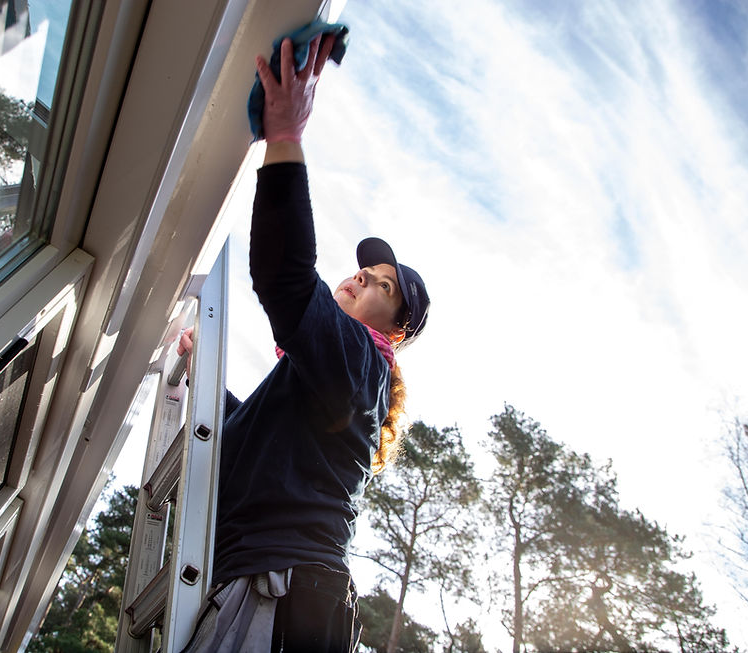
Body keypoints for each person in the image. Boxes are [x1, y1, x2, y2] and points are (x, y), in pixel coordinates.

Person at [177, 33, 430, 653]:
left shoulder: (361, 363)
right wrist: (202, 371)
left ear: (393, 330)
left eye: (384, 285)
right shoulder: (321, 383)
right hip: (262, 587)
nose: (362, 275)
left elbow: (287, 277)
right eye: (364, 268)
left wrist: (285, 134)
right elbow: (254, 441)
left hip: (285, 600)